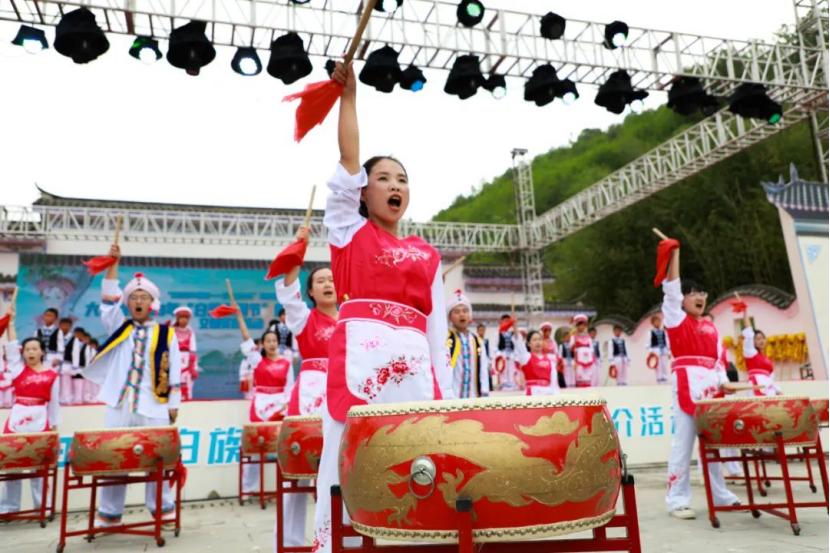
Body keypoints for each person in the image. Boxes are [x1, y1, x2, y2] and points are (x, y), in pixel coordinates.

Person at [312, 60, 453, 553]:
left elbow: (436, 334)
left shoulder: (427, 254)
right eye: (384, 178)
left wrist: (446, 397)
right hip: (360, 368)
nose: (395, 186)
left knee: (417, 468)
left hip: (415, 373)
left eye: (403, 180)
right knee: (346, 465)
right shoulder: (349, 232)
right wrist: (349, 98)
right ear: (363, 191)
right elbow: (349, 158)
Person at [83, 244, 182, 528]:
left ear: (153, 303)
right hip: (120, 403)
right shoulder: (119, 326)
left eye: (144, 297)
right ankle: (109, 513)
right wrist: (113, 263)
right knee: (115, 456)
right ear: (128, 303)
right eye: (134, 297)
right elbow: (108, 300)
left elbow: (174, 370)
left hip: (154, 405)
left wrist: (174, 405)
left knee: (157, 458)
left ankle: (162, 508)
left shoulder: (166, 334)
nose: (138, 301)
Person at [657, 237, 739, 520]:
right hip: (687, 388)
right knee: (683, 445)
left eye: (702, 292)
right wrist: (675, 254)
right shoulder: (675, 319)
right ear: (683, 299)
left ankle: (721, 495)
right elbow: (671, 289)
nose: (700, 297)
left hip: (712, 390)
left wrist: (723, 382)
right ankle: (677, 500)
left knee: (713, 445)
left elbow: (719, 360)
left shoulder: (711, 328)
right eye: (693, 293)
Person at [274, 228, 339, 548]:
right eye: (321, 281)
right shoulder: (303, 319)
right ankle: (290, 541)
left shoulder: (352, 319)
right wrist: (298, 251)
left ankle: (340, 539)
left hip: (344, 394)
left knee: (341, 469)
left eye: (332, 279)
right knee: (299, 471)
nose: (328, 284)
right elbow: (288, 293)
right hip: (311, 396)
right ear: (311, 291)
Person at [231, 292, 293, 497]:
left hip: (280, 407)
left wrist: (286, 406)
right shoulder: (257, 361)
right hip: (260, 407)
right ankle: (249, 488)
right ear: (263, 344)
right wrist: (239, 317)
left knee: (283, 446)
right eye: (268, 341)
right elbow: (246, 338)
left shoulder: (286, 363)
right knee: (256, 448)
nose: (272, 344)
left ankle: (287, 485)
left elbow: (290, 388)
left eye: (274, 340)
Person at [0, 302, 60, 515]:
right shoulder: (17, 369)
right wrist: (10, 321)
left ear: (42, 352)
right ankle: (8, 508)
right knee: (11, 465)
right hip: (17, 419)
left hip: (40, 420)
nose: (31, 352)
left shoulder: (52, 375)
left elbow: (54, 404)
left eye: (35, 349)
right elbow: (11, 345)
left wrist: (54, 428)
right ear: (23, 353)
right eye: (27, 349)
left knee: (39, 467)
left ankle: (42, 506)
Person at [446, 290, 490, 399]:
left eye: (465, 311)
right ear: (450, 317)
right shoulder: (447, 339)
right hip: (453, 397)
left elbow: (483, 369)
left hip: (473, 396)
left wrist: (484, 393)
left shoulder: (477, 341)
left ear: (469, 316)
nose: (462, 314)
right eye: (457, 312)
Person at [739, 308, 781, 396]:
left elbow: (771, 378)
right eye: (758, 339)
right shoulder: (750, 353)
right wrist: (745, 312)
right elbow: (749, 332)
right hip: (756, 386)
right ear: (752, 341)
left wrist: (778, 391)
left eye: (763, 338)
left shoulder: (767, 359)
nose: (761, 341)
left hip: (769, 388)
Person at [512, 326, 559, 396]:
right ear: (528, 343)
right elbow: (518, 342)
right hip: (532, 394)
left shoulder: (550, 361)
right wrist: (514, 325)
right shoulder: (526, 357)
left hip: (547, 393)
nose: (538, 342)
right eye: (534, 340)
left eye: (540, 339)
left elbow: (554, 384)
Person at [172, 306, 199, 401]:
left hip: (187, 360)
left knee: (188, 383)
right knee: (174, 384)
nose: (184, 320)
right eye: (181, 318)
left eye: (186, 318)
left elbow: (193, 350)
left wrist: (193, 367)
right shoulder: (171, 330)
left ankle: (188, 401)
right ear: (177, 319)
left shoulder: (190, 332)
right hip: (174, 359)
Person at [61, 326, 90, 404]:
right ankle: (67, 398)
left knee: (75, 383)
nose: (77, 335)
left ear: (82, 335)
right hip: (67, 364)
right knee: (66, 382)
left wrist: (75, 366)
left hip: (74, 366)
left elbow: (76, 354)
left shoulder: (79, 343)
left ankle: (74, 398)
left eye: (79, 334)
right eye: (76, 333)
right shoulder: (69, 340)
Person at [569, 315, 596, 387]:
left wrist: (593, 359)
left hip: (588, 360)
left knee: (588, 377)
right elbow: (571, 348)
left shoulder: (588, 337)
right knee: (580, 377)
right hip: (579, 360)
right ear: (577, 326)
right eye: (580, 325)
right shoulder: (574, 336)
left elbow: (592, 349)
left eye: (583, 325)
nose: (582, 327)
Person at [35, 308, 64, 372]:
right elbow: (34, 344)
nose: (48, 317)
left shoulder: (58, 331)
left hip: (52, 357)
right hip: (40, 357)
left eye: (50, 316)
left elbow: (60, 346)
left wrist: (58, 358)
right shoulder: (38, 331)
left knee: (52, 375)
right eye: (46, 315)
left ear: (55, 318)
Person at [496, 314, 517, 390]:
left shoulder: (512, 332)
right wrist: (498, 354)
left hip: (511, 353)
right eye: (505, 321)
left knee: (511, 368)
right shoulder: (499, 332)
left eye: (508, 321)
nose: (506, 322)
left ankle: (511, 382)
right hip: (503, 353)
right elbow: (496, 345)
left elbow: (516, 341)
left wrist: (514, 325)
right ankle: (503, 383)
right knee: (503, 369)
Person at [648, 314, 671, 384]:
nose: (658, 323)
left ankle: (665, 378)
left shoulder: (663, 331)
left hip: (664, 349)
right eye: (656, 322)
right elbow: (648, 343)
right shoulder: (651, 332)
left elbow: (667, 341)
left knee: (664, 364)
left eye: (659, 321)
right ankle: (659, 378)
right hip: (656, 350)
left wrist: (669, 352)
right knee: (658, 365)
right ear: (652, 323)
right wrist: (651, 351)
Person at [475, 322, 494, 391]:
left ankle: (489, 388)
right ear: (477, 331)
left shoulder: (486, 341)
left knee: (487, 374)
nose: (481, 332)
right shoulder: (475, 341)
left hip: (486, 360)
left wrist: (490, 360)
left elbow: (489, 350)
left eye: (483, 330)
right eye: (480, 330)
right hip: (478, 360)